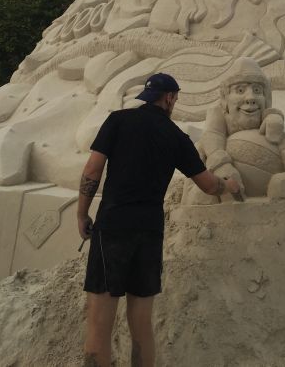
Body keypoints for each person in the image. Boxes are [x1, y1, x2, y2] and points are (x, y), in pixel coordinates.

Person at [77, 72, 241, 367]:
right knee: (141, 325)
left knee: (99, 324)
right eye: (175, 99)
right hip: (149, 232)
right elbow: (207, 185)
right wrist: (229, 185)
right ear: (169, 98)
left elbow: (92, 170)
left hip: (113, 227)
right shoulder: (177, 137)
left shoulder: (118, 120)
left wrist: (81, 213)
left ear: (147, 96)